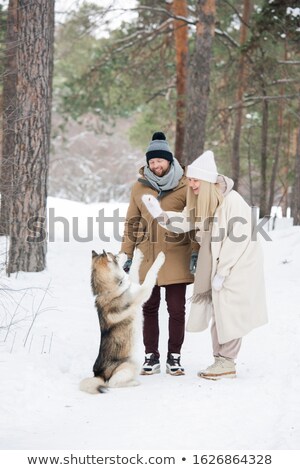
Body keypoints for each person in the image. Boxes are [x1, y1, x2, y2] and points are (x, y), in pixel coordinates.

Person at [142, 150, 268, 380]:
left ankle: (227, 362)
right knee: (218, 312)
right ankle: (220, 360)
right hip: (218, 264)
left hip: (238, 265)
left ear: (208, 180)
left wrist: (223, 271)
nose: (191, 184)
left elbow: (237, 240)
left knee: (229, 312)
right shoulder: (205, 201)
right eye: (189, 179)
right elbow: (185, 220)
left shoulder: (231, 201)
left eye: (195, 180)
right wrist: (161, 214)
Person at [121, 132, 199, 376]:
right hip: (149, 255)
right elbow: (132, 222)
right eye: (151, 162)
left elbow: (195, 221)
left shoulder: (186, 185)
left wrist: (196, 252)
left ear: (169, 160)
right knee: (149, 308)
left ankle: (174, 357)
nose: (155, 166)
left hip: (177, 254)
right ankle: (150, 355)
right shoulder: (139, 187)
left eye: (159, 161)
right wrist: (127, 254)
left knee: (176, 309)